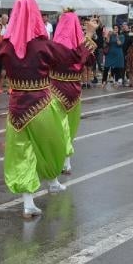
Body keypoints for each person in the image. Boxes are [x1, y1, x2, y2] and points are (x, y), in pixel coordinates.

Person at [0, 0, 97, 218]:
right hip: (43, 106)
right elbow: (75, 57)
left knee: (21, 154)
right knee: (52, 147)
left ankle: (28, 202)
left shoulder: (5, 44)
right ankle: (51, 181)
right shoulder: (44, 45)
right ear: (37, 16)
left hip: (17, 110)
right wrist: (90, 33)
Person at [50, 11, 89, 175]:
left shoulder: (53, 46)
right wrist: (89, 34)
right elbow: (88, 58)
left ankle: (60, 160)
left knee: (59, 126)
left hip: (55, 89)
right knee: (70, 127)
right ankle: (66, 161)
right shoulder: (81, 47)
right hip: (74, 91)